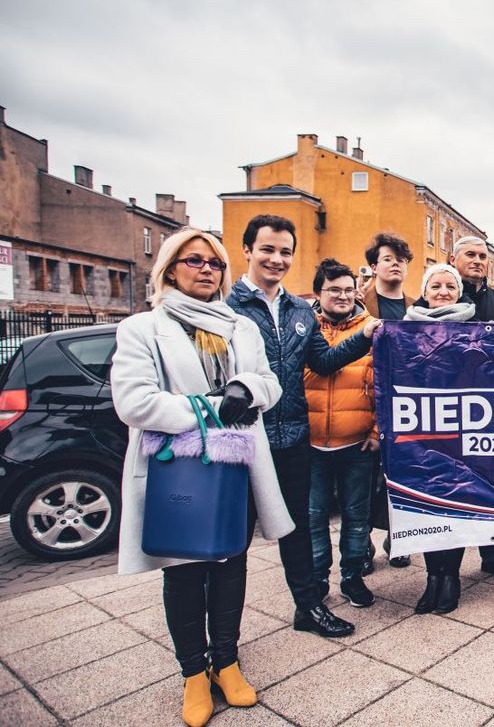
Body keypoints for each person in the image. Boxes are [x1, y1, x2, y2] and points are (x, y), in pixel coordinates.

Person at [111, 228, 294, 727]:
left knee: (231, 565)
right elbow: (134, 402)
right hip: (180, 465)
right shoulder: (143, 328)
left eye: (214, 263)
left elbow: (271, 383)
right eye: (195, 261)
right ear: (171, 268)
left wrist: (246, 386)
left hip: (236, 464)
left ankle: (227, 662)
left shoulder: (241, 327)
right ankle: (194, 672)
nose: (207, 270)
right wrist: (215, 408)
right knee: (185, 570)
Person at [227, 215, 378, 639]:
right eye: (268, 249)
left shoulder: (297, 310)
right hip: (243, 441)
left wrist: (366, 337)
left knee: (296, 530)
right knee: (234, 544)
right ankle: (226, 639)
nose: (276, 259)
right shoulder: (227, 309)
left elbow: (323, 362)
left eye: (285, 252)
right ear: (248, 251)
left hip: (294, 437)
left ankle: (308, 607)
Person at [304, 259, 382, 609]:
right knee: (313, 515)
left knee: (356, 515)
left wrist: (378, 430)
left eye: (349, 289)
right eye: (334, 289)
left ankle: (352, 577)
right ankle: (317, 579)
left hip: (357, 441)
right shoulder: (303, 326)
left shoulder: (371, 328)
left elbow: (386, 382)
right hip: (311, 442)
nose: (343, 296)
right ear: (319, 292)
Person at [404, 263, 478, 614]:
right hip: (420, 430)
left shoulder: (476, 328)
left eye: (451, 286)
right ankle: (433, 575)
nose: (444, 292)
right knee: (428, 503)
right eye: (436, 286)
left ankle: (451, 576)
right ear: (425, 291)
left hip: (462, 429)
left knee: (457, 500)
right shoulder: (405, 328)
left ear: (459, 291)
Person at [448, 235, 494, 579]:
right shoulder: (441, 291)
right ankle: (446, 562)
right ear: (453, 259)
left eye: (482, 256)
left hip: (491, 405)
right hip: (449, 405)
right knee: (453, 482)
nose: (478, 260)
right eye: (470, 255)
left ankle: (491, 553)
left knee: (491, 481)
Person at [360, 232, 414, 569]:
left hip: (404, 404)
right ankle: (361, 544)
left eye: (401, 260)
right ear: (373, 266)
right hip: (368, 402)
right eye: (388, 259)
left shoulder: (416, 308)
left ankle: (400, 538)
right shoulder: (360, 306)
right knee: (365, 481)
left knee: (403, 476)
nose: (395, 265)